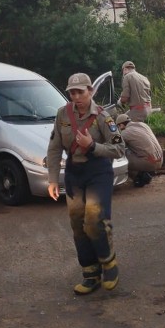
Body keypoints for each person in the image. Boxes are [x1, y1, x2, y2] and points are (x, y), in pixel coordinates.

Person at [47, 72, 125, 295]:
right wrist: (53, 179)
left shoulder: (103, 117)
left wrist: (92, 146)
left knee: (94, 220)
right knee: (77, 223)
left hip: (98, 172)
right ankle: (90, 273)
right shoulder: (62, 114)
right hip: (74, 173)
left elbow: (119, 148)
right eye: (72, 92)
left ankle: (108, 262)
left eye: (80, 92)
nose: (76, 97)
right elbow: (54, 148)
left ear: (90, 91)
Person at [116, 113, 163, 187]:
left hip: (149, 162)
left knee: (120, 156)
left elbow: (116, 146)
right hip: (160, 159)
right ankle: (146, 172)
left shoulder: (125, 132)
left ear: (121, 125)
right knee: (133, 151)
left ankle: (140, 177)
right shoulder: (143, 125)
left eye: (118, 126)